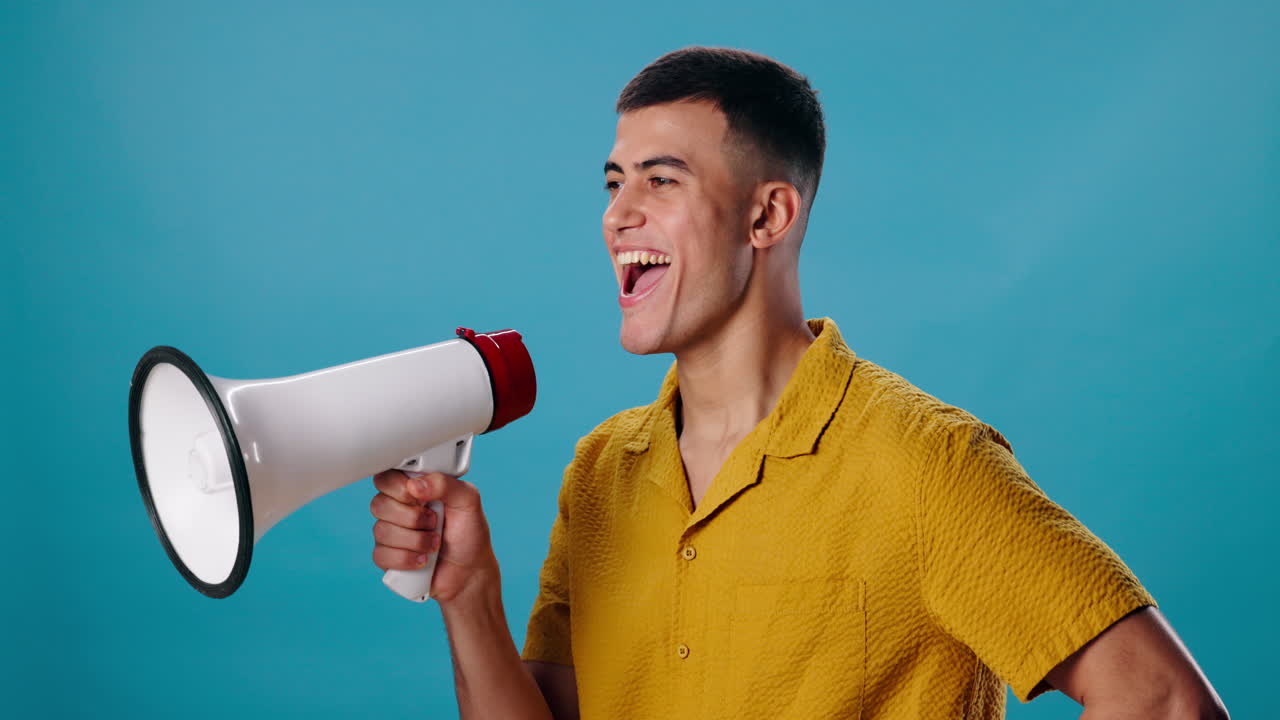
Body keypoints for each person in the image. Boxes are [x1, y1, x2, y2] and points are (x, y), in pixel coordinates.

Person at [368, 47, 1229, 719]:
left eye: (661, 180)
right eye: (614, 182)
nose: (618, 212)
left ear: (768, 215)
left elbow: (1163, 700)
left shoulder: (924, 462)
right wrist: (469, 598)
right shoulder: (601, 472)